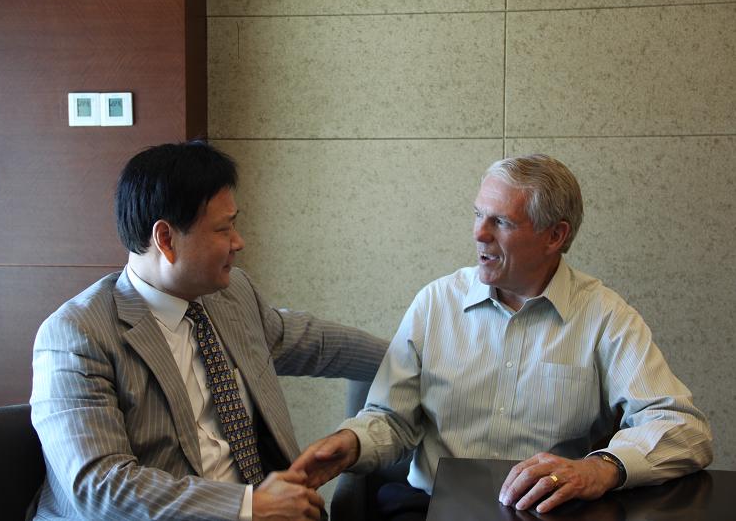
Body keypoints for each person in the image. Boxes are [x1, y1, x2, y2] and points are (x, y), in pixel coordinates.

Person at [291, 154, 713, 519]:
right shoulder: (436, 303)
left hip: (545, 512)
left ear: (555, 235)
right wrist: (352, 442)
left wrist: (601, 468)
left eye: (502, 221)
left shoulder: (605, 315)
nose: (479, 233)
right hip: (430, 506)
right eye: (478, 214)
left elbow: (683, 427)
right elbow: (392, 421)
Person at [28, 140, 388, 521]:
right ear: (166, 239)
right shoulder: (77, 335)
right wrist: (248, 506)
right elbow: (101, 485)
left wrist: (417, 361)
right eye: (224, 229)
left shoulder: (231, 295)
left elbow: (315, 344)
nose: (238, 242)